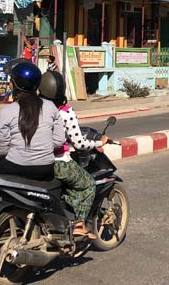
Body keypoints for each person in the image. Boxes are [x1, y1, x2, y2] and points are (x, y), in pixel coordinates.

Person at [39, 70, 107, 239]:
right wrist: (99, 142)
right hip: (58, 163)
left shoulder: (34, 106)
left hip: (34, 161)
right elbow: (79, 143)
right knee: (88, 184)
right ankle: (79, 224)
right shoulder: (65, 112)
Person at [0, 61, 65, 181]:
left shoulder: (7, 111)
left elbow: (2, 149)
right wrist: (42, 148)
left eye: (11, 81)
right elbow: (59, 140)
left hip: (16, 167)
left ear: (14, 85)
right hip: (46, 169)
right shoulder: (51, 107)